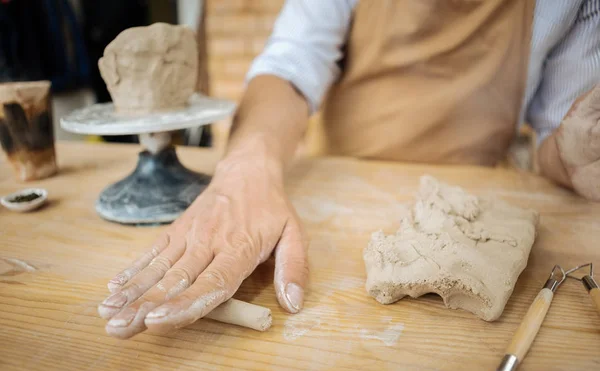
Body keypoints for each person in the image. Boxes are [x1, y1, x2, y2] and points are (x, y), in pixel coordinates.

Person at [98, 0, 600, 339]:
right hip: (340, 178)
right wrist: (247, 168)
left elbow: (558, 134)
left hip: (478, 197)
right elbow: (290, 65)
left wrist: (573, 157)